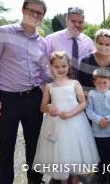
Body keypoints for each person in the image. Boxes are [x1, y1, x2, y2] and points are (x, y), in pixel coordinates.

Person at [0, 0, 51, 184]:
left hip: (33, 99)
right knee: (6, 147)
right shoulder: (2, 33)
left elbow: (44, 73)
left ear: (42, 17)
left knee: (34, 145)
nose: (34, 15)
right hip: (7, 99)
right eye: (31, 10)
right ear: (23, 10)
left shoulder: (42, 42)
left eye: (39, 13)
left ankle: (35, 179)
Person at [33, 51, 99, 184]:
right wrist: (49, 108)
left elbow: (83, 103)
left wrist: (69, 114)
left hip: (74, 121)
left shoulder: (75, 83)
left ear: (68, 66)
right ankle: (63, 181)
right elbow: (42, 107)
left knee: (74, 150)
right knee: (60, 152)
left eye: (63, 66)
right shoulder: (49, 86)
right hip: (55, 124)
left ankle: (75, 180)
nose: (60, 69)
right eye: (56, 66)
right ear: (51, 67)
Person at [85, 68, 110, 184]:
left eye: (105, 82)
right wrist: (99, 120)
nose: (102, 85)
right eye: (98, 83)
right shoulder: (92, 94)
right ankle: (102, 176)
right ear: (94, 82)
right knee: (100, 155)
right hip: (97, 132)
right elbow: (89, 110)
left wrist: (107, 119)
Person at [45, 6, 94, 79]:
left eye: (80, 22)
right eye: (73, 21)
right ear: (67, 21)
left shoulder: (88, 41)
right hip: (58, 85)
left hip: (82, 86)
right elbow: (44, 64)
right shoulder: (51, 39)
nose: (77, 24)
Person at [78, 28, 110, 93]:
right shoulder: (86, 60)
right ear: (95, 43)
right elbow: (81, 84)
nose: (103, 47)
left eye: (107, 45)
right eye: (100, 44)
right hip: (91, 99)